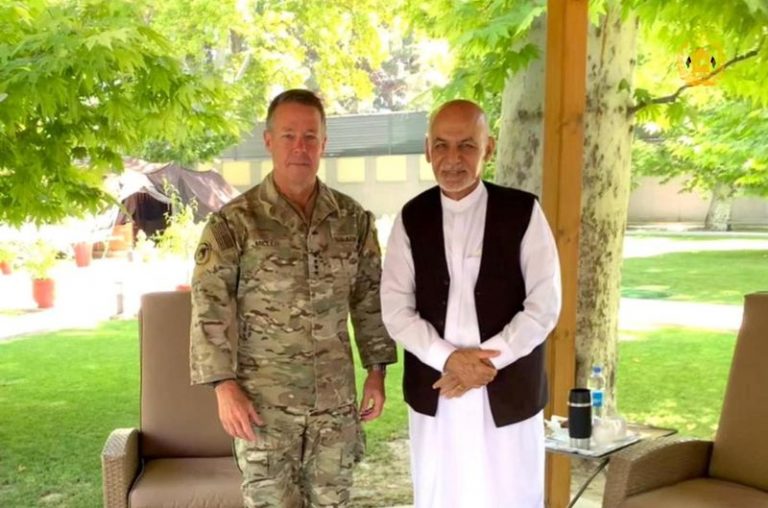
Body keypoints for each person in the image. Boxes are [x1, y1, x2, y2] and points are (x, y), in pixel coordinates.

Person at [190, 89, 397, 507]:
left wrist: (377, 371)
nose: (299, 147)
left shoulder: (352, 220)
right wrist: (223, 386)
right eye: (288, 136)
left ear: (324, 143)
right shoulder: (234, 223)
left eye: (310, 136)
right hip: (264, 409)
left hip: (334, 408)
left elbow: (369, 300)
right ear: (269, 141)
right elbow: (209, 307)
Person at [380, 99, 562, 508]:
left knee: (510, 494)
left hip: (507, 387)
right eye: (441, 145)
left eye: (466, 145)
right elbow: (395, 308)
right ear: (427, 150)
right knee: (441, 493)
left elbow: (544, 304)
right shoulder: (412, 217)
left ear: (488, 148)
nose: (452, 159)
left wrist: (483, 364)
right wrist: (448, 359)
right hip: (438, 389)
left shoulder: (523, 211)